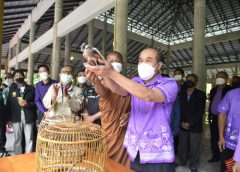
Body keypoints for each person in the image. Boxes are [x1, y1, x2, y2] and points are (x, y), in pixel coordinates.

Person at [85, 48, 178, 172]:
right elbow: (117, 89)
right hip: (135, 150)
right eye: (140, 60)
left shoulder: (169, 84)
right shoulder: (136, 81)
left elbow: (147, 95)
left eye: (148, 60)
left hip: (157, 155)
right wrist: (101, 73)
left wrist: (112, 73)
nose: (143, 63)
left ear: (159, 65)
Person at [86, 51, 131, 166]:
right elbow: (104, 93)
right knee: (107, 163)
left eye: (118, 62)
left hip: (124, 132)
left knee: (124, 165)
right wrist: (97, 82)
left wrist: (131, 113)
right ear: (106, 64)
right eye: (111, 62)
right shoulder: (103, 82)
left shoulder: (129, 83)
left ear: (123, 64)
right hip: (109, 131)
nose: (115, 64)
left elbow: (138, 103)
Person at [178, 74, 206, 172]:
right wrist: (181, 122)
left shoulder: (201, 94)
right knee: (183, 145)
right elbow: (178, 109)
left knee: (194, 147)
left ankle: (194, 165)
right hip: (182, 124)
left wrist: (189, 123)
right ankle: (182, 161)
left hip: (195, 125)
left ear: (196, 82)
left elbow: (200, 111)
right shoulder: (181, 93)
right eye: (187, 80)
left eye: (191, 80)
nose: (188, 81)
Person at [7, 70, 37, 154]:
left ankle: (28, 156)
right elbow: (9, 104)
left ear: (24, 77)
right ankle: (18, 156)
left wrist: (28, 104)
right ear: (13, 78)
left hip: (28, 115)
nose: (18, 77)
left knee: (29, 138)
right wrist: (9, 119)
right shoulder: (12, 89)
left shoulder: (31, 88)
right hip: (16, 116)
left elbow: (36, 102)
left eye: (20, 75)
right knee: (17, 138)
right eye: (16, 76)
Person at [208, 71, 232, 163]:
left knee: (224, 137)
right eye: (217, 76)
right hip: (213, 117)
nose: (219, 78)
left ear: (226, 78)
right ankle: (215, 156)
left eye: (221, 76)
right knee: (214, 137)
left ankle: (225, 158)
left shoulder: (230, 90)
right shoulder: (213, 90)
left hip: (225, 118)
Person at [218, 86, 240, 172]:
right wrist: (221, 137)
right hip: (229, 141)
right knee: (227, 168)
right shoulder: (232, 94)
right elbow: (222, 114)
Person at [171, 68, 185, 155]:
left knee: (182, 139)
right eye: (175, 74)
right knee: (174, 137)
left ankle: (183, 154)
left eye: (179, 74)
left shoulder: (186, 87)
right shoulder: (171, 86)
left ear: (183, 76)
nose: (177, 75)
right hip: (174, 115)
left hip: (183, 116)